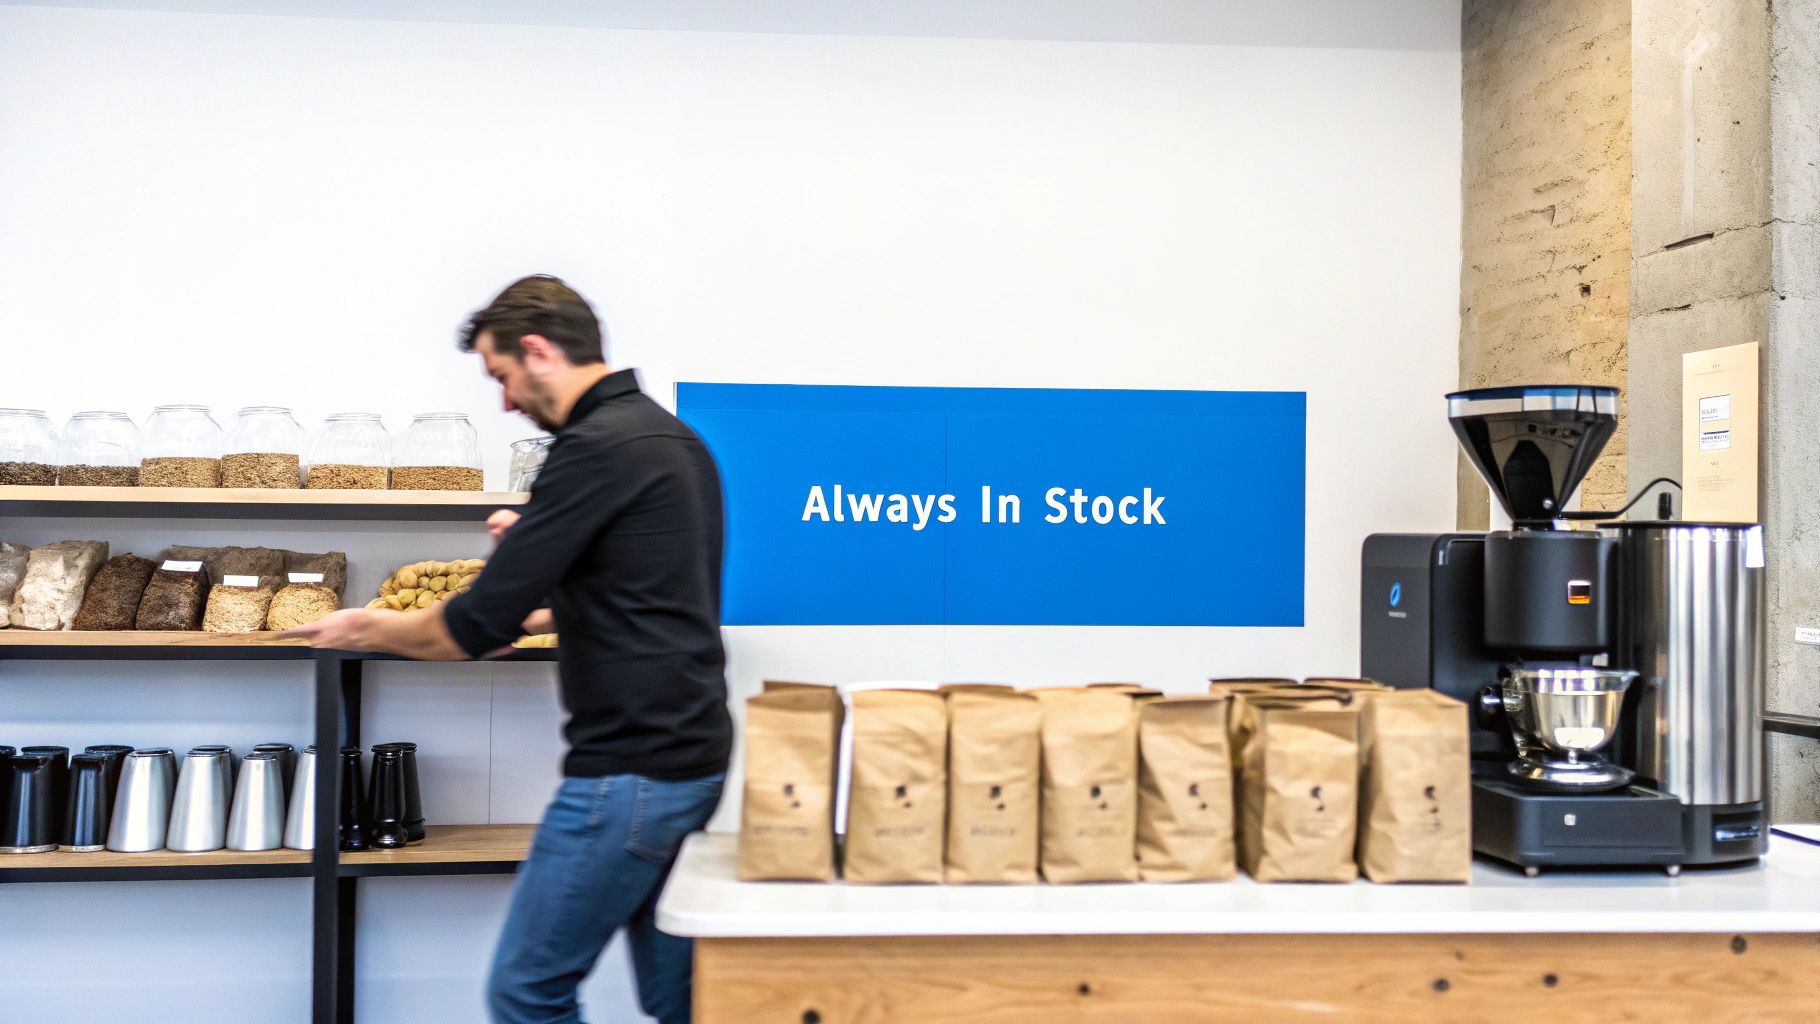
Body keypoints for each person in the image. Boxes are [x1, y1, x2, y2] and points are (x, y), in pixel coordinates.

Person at [286, 275, 732, 1024]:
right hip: (689, 760)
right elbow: (642, 599)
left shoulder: (594, 449)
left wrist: (363, 626)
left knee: (528, 991)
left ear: (537, 350)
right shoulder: (672, 442)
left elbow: (469, 628)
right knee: (681, 998)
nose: (503, 401)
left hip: (627, 773)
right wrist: (537, 575)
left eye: (501, 377)